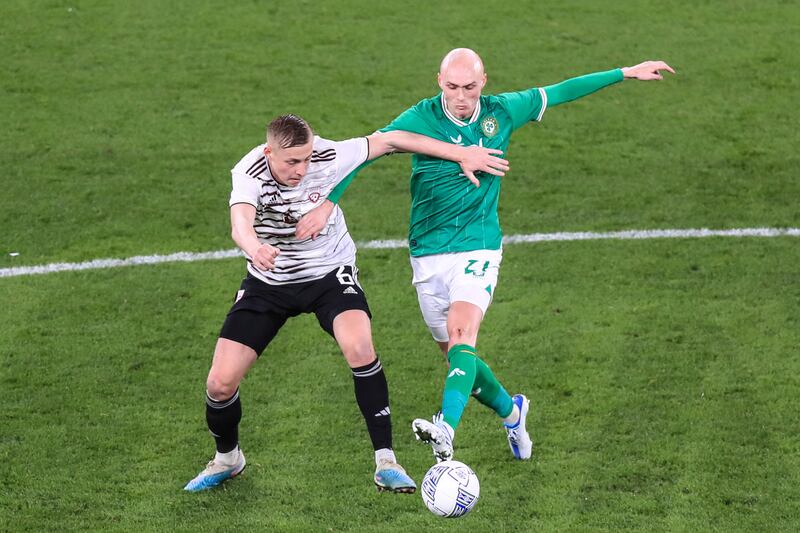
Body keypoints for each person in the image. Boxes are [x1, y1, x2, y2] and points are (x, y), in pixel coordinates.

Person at [297, 49, 674, 463]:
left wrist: (625, 72)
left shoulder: (501, 113)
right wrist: (327, 202)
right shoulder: (421, 118)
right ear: (439, 81)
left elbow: (561, 91)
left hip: (478, 247)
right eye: (453, 87)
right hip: (427, 254)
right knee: (462, 364)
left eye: (470, 87)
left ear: (484, 82)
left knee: (463, 335)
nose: (462, 96)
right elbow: (368, 150)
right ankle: (513, 413)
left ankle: (446, 428)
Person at [183, 114, 509, 492]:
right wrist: (255, 248)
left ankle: (386, 461)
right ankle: (228, 459)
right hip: (268, 281)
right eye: (292, 162)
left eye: (306, 159)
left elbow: (390, 140)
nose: (302, 169)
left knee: (359, 345)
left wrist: (460, 154)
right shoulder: (249, 171)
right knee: (220, 383)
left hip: (329, 274)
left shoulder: (326, 154)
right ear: (269, 151)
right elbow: (240, 223)